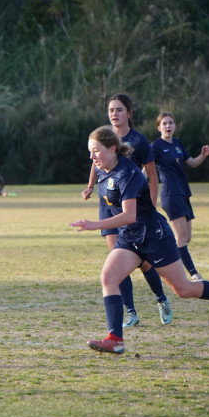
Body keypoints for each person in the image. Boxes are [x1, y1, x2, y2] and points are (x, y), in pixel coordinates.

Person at [70, 126, 209, 354]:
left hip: (154, 236)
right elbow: (123, 211)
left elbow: (129, 214)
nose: (92, 157)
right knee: (109, 277)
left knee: (184, 289)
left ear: (112, 149)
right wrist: (90, 187)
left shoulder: (127, 173)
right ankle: (115, 339)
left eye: (96, 151)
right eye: (90, 151)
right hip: (131, 237)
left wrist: (95, 224)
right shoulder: (104, 168)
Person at [82, 93, 171, 328]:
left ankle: (161, 298)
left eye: (119, 109)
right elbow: (95, 163)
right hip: (107, 206)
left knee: (143, 263)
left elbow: (152, 175)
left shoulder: (139, 141)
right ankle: (130, 311)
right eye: (111, 109)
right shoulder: (102, 137)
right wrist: (91, 186)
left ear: (129, 113)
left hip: (129, 205)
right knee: (115, 261)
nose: (114, 113)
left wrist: (151, 204)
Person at [152, 112, 209, 281]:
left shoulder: (177, 144)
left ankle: (161, 247)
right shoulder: (155, 146)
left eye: (171, 123)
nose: (168, 126)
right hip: (170, 193)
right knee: (181, 238)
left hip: (183, 192)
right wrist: (138, 183)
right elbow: (147, 169)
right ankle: (193, 273)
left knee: (186, 238)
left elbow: (191, 163)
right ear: (159, 127)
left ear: (175, 126)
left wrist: (203, 155)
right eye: (164, 123)